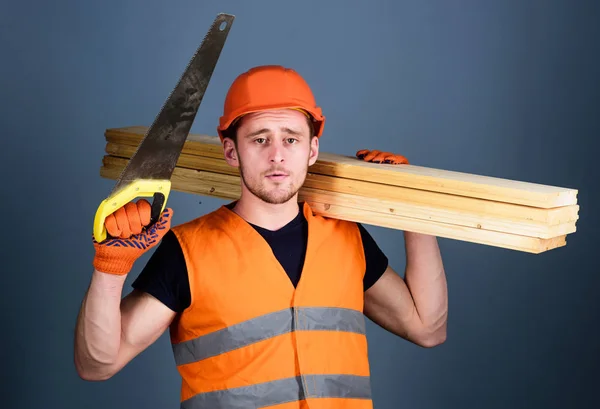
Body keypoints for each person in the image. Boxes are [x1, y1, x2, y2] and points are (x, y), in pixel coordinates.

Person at [75, 65, 448, 408]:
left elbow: (427, 328)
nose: (277, 156)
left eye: (291, 139)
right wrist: (110, 268)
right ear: (231, 151)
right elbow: (97, 365)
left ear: (312, 150)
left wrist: (411, 205)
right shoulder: (188, 252)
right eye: (259, 140)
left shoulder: (346, 238)